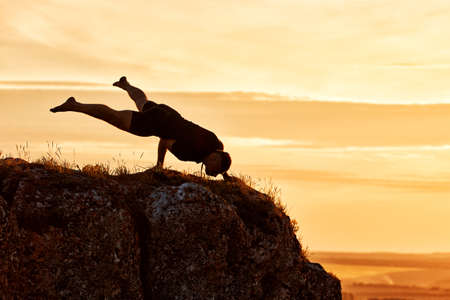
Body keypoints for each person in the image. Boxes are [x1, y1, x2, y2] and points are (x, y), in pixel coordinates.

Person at [50, 76, 232, 179]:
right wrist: (160, 165)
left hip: (169, 113)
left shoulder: (217, 143)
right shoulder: (190, 154)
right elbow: (165, 140)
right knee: (113, 117)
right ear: (217, 157)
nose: (211, 165)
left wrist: (225, 174)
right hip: (156, 123)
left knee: (141, 101)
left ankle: (125, 85)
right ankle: (75, 105)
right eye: (214, 164)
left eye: (213, 168)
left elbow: (220, 156)